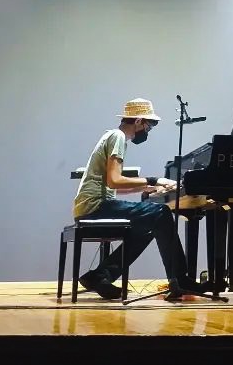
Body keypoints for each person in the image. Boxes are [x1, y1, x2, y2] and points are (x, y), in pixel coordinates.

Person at [73, 97, 189, 300]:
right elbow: (115, 180)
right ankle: (180, 280)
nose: (148, 130)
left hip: (94, 205)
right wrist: (155, 179)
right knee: (161, 213)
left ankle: (100, 276)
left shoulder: (112, 136)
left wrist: (148, 187)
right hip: (96, 207)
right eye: (149, 125)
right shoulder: (117, 136)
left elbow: (112, 186)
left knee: (149, 226)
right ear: (137, 121)